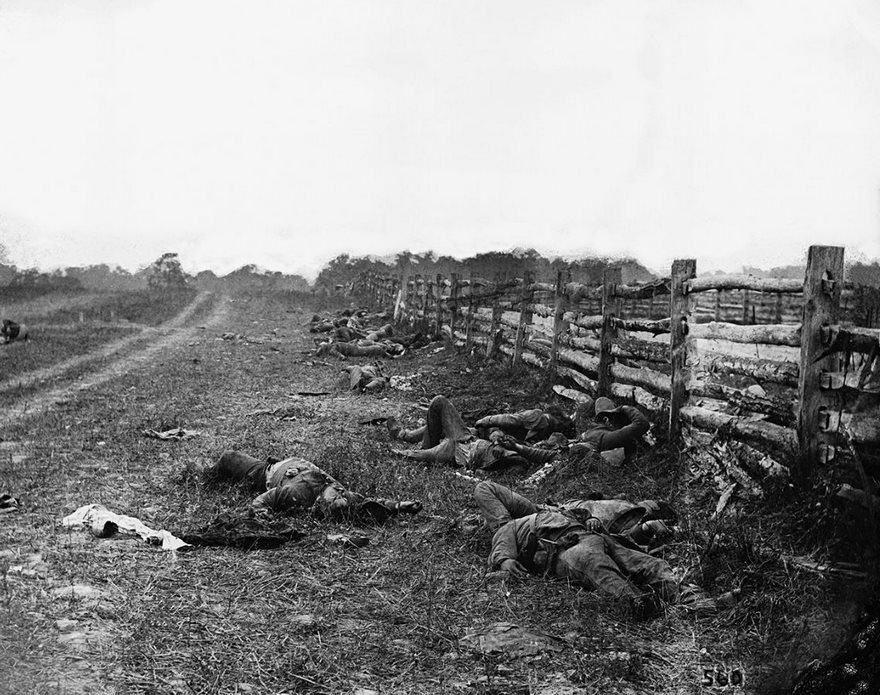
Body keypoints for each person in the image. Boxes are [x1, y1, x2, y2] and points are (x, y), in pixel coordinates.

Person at [474, 480, 681, 616]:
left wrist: (590, 519)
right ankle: (639, 603)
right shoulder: (508, 528)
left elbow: (486, 488)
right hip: (564, 548)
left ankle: (686, 597)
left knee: (644, 563)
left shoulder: (541, 514)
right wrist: (504, 560)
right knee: (596, 567)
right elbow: (502, 544)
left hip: (592, 535)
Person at [208, 450, 422, 521]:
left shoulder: (296, 494)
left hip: (265, 471)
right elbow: (369, 502)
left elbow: (261, 500)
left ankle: (198, 475)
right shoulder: (341, 495)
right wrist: (399, 506)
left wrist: (262, 512)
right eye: (340, 495)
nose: (339, 493)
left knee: (229, 457)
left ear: (322, 503)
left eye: (335, 498)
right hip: (292, 463)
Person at [388, 395, 562, 471]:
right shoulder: (539, 417)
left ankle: (410, 439)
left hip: (476, 441)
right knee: (441, 410)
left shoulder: (537, 441)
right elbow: (508, 419)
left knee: (442, 413)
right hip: (479, 434)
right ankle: (408, 437)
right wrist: (486, 423)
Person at [571, 397, 650, 464]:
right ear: (606, 420)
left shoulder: (592, 432)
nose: (618, 422)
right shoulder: (605, 438)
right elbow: (642, 424)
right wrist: (625, 408)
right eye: (616, 417)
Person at [474, 405, 574, 442]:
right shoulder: (537, 416)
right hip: (495, 429)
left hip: (505, 439)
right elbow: (509, 419)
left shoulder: (550, 432)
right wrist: (485, 421)